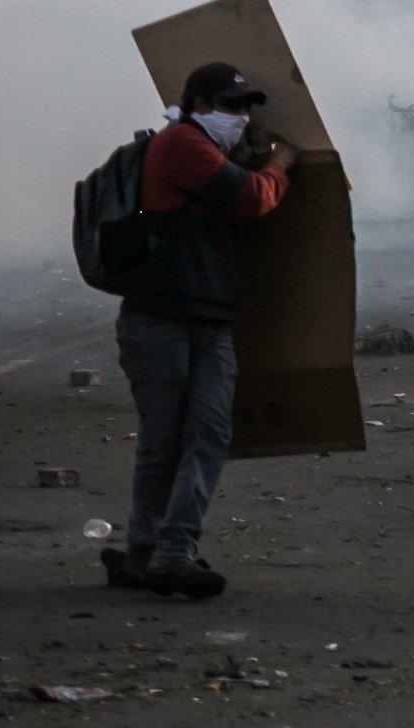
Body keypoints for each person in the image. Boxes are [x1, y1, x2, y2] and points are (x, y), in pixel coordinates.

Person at [108, 61, 295, 600]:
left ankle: (162, 551)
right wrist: (281, 162)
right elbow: (254, 198)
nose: (237, 117)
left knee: (205, 435)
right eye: (226, 106)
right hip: (161, 319)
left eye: (243, 108)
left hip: (205, 317)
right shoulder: (182, 144)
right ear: (195, 105)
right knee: (167, 441)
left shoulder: (203, 151)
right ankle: (158, 552)